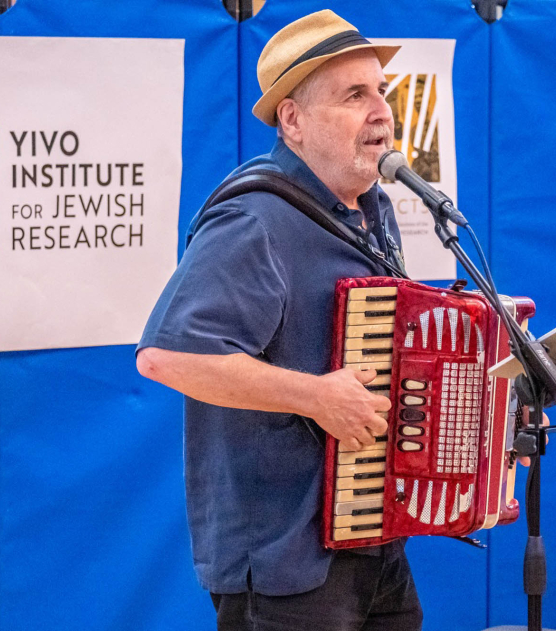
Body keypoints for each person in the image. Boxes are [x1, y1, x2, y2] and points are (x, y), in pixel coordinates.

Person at [136, 10, 423, 630]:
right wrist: (316, 397)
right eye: (354, 95)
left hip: (371, 537)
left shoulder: (373, 211)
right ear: (292, 120)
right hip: (284, 558)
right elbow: (169, 357)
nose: (381, 111)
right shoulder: (254, 220)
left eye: (381, 91)